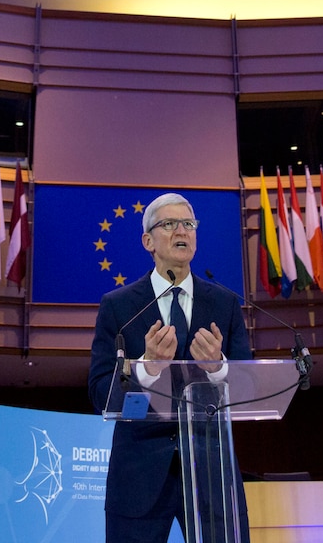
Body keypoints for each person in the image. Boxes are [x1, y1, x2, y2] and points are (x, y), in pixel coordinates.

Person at [87, 193, 252, 543]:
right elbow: (101, 393)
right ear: (148, 241)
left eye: (188, 224)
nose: (182, 231)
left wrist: (218, 368)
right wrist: (146, 368)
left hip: (211, 472)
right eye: (170, 224)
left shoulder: (224, 303)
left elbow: (250, 388)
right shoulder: (118, 307)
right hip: (139, 477)